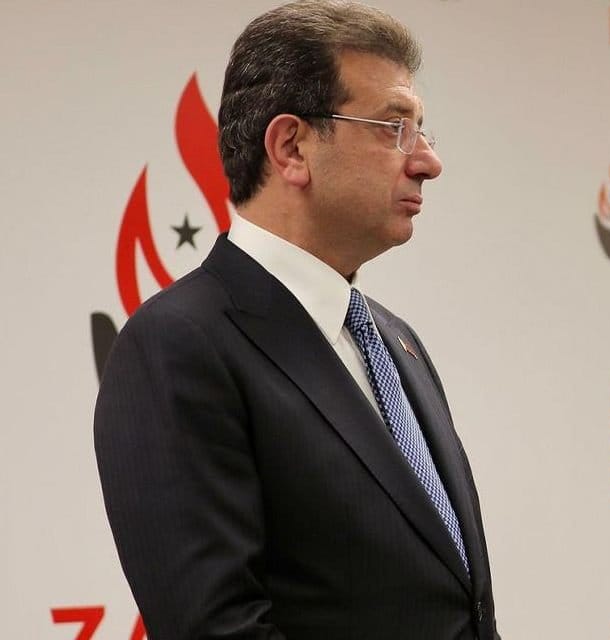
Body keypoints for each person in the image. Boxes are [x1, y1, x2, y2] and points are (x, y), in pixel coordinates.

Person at [93, 2, 498, 638]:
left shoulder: (396, 340)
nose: (427, 161)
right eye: (393, 128)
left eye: (422, 131)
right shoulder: (179, 344)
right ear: (291, 148)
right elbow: (216, 627)